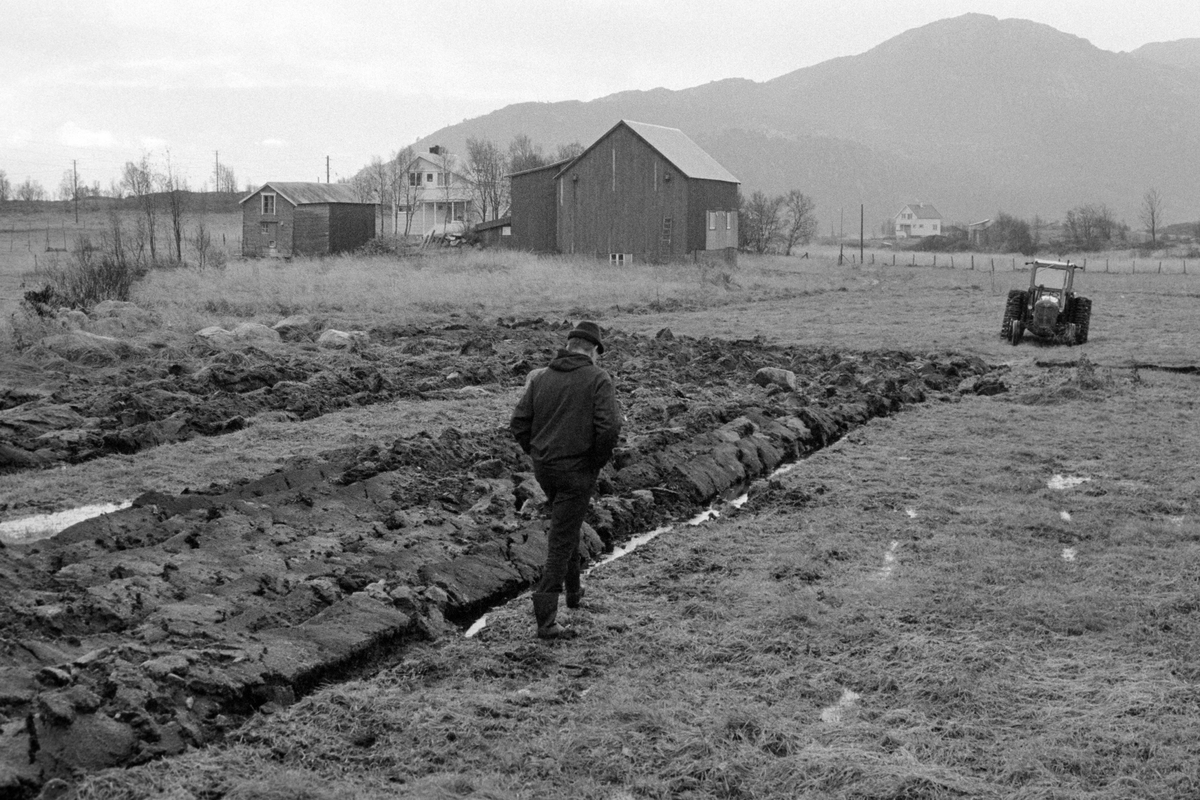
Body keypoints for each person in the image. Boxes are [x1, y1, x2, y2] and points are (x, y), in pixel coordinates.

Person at [510, 321, 622, 640]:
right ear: (593, 351)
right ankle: (546, 620)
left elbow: (519, 422)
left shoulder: (542, 377)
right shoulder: (598, 378)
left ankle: (574, 593)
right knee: (561, 538)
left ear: (570, 345)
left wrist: (537, 452)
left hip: (545, 469)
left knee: (567, 524)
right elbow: (610, 427)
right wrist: (594, 462)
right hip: (577, 471)